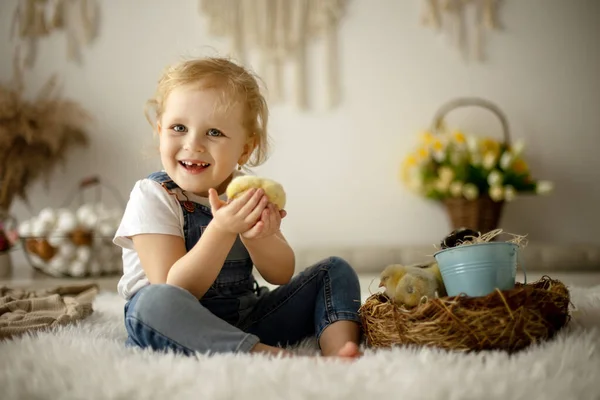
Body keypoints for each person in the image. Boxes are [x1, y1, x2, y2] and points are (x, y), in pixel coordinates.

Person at [113, 56, 362, 359]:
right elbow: (175, 287)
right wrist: (221, 229)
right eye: (179, 127)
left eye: (214, 132)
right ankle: (265, 355)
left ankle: (339, 352)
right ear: (160, 129)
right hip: (175, 326)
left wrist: (261, 236)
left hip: (247, 319)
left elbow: (281, 274)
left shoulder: (244, 193)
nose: (194, 144)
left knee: (333, 270)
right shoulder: (154, 196)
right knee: (152, 303)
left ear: (245, 148)